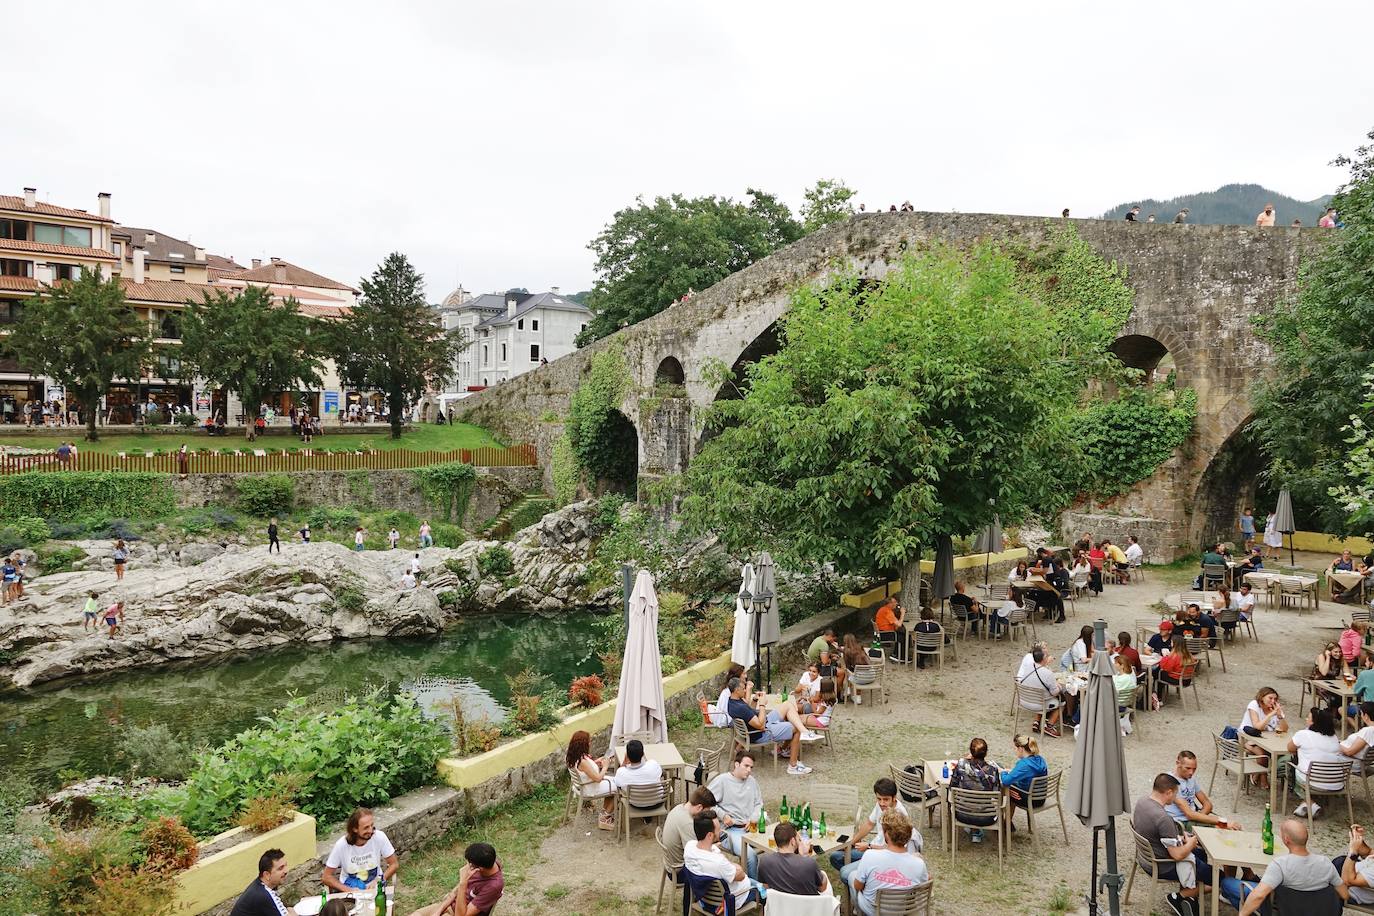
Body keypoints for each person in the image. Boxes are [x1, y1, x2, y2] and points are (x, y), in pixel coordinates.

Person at [1231, 818, 1345, 914]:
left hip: (1285, 910)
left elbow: (1259, 896)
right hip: (1315, 911)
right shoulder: (1325, 863)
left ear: (1286, 839)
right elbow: (1344, 894)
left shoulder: (1280, 865)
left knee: (1227, 883)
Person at [1132, 772, 1208, 916]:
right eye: (1175, 794)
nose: (1176, 797)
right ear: (1168, 792)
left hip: (1145, 858)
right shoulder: (1163, 817)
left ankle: (1189, 899)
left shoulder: (1142, 802)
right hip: (1161, 865)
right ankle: (1179, 897)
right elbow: (1177, 855)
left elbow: (1158, 833)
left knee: (1202, 855)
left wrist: (1179, 837)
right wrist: (1191, 843)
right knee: (1218, 878)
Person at [722, 677, 812, 774]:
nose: (745, 690)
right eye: (743, 688)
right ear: (736, 690)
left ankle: (801, 734)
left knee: (787, 705)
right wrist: (762, 705)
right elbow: (760, 725)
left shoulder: (732, 701)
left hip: (760, 724)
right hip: (761, 733)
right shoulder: (740, 707)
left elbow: (749, 713)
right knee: (796, 728)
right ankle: (793, 766)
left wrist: (755, 700)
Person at [848, 810, 929, 916]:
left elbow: (858, 886)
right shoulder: (919, 864)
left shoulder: (870, 855)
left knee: (851, 876)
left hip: (872, 910)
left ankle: (858, 912)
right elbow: (925, 883)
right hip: (901, 911)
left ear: (886, 834)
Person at [683, 811, 764, 910]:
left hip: (705, 898)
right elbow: (741, 875)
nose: (720, 831)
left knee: (757, 883)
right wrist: (734, 865)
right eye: (717, 829)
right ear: (709, 835)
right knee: (766, 892)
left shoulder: (689, 847)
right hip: (735, 898)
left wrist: (715, 850)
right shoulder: (718, 862)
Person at [407, 842, 503, 916]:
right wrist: (438, 911)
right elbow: (453, 893)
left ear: (479, 868)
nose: (467, 865)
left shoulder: (493, 886)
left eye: (470, 864)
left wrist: (463, 883)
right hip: (449, 906)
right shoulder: (487, 861)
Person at [707, 750, 765, 875]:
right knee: (750, 856)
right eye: (746, 766)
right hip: (730, 831)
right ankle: (753, 892)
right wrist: (723, 815)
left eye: (751, 767)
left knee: (778, 846)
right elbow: (706, 803)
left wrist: (754, 818)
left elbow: (759, 804)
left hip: (750, 827)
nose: (749, 770)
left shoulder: (752, 781)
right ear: (736, 764)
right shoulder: (722, 780)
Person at [1288, 707, 1347, 817]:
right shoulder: (1334, 737)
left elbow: (1290, 748)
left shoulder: (1303, 734)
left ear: (1315, 722)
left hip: (1314, 781)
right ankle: (1306, 804)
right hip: (1337, 782)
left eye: (1309, 718)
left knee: (1292, 765)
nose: (1306, 719)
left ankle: (1310, 803)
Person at [322, 807, 398, 892]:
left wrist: (379, 880)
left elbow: (394, 864)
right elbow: (326, 877)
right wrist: (349, 890)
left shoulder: (379, 837)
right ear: (355, 829)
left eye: (372, 825)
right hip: (350, 889)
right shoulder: (341, 845)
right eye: (366, 827)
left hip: (376, 885)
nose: (371, 830)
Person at [1164, 750, 1241, 830]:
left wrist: (1200, 816)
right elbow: (1189, 814)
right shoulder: (1170, 781)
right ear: (1178, 763)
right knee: (1226, 827)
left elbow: (1207, 804)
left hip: (1193, 818)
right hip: (1180, 823)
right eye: (1188, 768)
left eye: (1194, 769)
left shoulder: (1191, 779)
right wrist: (1222, 822)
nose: (1191, 772)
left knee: (1233, 827)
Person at [758, 821, 831, 897]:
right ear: (793, 841)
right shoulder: (809, 863)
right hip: (808, 907)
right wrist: (805, 856)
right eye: (798, 839)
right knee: (824, 876)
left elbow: (766, 887)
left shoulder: (765, 861)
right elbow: (822, 888)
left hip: (779, 907)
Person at [951, 737, 1001, 844]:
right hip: (986, 816)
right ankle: (976, 831)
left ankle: (972, 830)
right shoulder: (993, 770)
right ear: (986, 753)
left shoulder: (961, 765)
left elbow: (952, 786)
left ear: (971, 752)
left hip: (962, 814)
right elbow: (997, 792)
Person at [661, 786, 718, 881]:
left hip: (670, 864)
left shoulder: (679, 808)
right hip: (679, 871)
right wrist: (714, 846)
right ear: (699, 807)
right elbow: (697, 855)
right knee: (718, 869)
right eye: (706, 811)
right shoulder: (687, 823)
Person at [566, 729, 618, 829]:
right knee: (619, 786)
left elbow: (585, 769)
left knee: (614, 781)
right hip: (590, 788)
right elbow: (598, 778)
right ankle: (605, 819)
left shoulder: (573, 756)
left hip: (584, 784)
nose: (590, 743)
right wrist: (605, 766)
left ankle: (605, 813)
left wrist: (595, 762)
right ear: (583, 744)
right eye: (589, 741)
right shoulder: (582, 762)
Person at [1239, 687, 1289, 787]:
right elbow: (1257, 726)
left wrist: (1279, 716)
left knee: (1276, 752)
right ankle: (1263, 776)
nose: (1273, 701)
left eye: (1275, 699)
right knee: (1263, 754)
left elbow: (1285, 729)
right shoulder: (1254, 705)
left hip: (1266, 740)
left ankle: (1257, 774)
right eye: (1270, 698)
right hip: (1247, 737)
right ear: (1262, 697)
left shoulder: (1275, 709)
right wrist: (1271, 714)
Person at [228, 848, 294, 916]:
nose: (286, 871)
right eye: (280, 868)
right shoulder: (264, 895)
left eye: (285, 865)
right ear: (267, 875)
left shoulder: (259, 886)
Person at [1015, 646, 1063, 736]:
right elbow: (1054, 692)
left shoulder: (1028, 667)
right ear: (1044, 658)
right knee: (1061, 701)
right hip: (1038, 704)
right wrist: (1059, 687)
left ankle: (1037, 721)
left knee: (1042, 696)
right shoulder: (1048, 673)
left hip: (1024, 701)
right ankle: (1049, 726)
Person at [1002, 734, 1049, 809]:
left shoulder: (1024, 765)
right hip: (1040, 797)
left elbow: (1005, 781)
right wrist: (1011, 771)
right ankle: (1008, 819)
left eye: (1015, 748)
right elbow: (1029, 774)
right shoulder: (1040, 759)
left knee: (1005, 788)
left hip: (1028, 799)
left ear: (1021, 749)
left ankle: (1005, 819)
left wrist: (1003, 772)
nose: (1015, 751)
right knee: (1012, 787)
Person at [1154, 636, 1196, 704]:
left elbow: (1165, 667)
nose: (1170, 643)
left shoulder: (1175, 656)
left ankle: (1158, 698)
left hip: (1178, 679)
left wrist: (1165, 657)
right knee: (1160, 673)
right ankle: (1160, 696)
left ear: (1174, 644)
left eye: (1171, 642)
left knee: (1158, 673)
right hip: (1188, 679)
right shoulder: (1189, 654)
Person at [874, 597, 907, 662]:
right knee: (904, 636)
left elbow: (895, 624)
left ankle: (897, 654)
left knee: (901, 632)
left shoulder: (883, 609)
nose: (897, 603)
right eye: (895, 602)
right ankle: (899, 656)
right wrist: (903, 613)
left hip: (881, 632)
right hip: (885, 634)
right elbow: (899, 624)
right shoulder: (888, 612)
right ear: (889, 604)